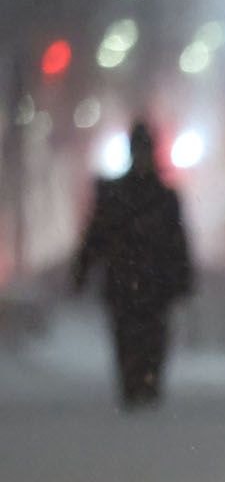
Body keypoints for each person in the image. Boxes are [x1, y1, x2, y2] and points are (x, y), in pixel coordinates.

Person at [73, 122, 194, 409]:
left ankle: (145, 383)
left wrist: (182, 277)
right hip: (130, 281)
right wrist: (83, 268)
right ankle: (135, 383)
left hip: (147, 283)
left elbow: (177, 242)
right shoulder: (126, 195)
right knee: (131, 335)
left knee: (148, 336)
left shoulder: (154, 197)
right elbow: (96, 236)